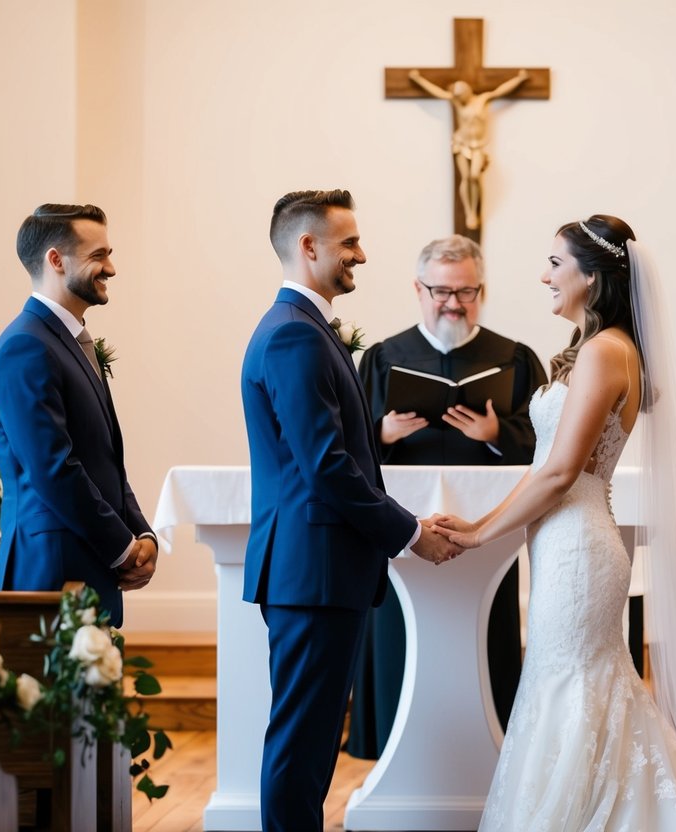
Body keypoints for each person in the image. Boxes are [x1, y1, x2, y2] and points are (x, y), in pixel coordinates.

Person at [435, 217, 676, 829]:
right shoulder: (602, 349)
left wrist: (481, 537)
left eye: (555, 264)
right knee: (575, 689)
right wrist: (478, 522)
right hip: (567, 544)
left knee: (572, 692)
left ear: (592, 277)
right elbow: (546, 466)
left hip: (578, 550)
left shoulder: (605, 352)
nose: (544, 275)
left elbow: (562, 472)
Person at [241, 189, 462, 832]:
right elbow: (327, 468)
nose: (361, 255)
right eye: (349, 243)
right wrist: (409, 533)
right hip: (313, 568)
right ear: (308, 246)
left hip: (318, 566)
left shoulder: (303, 329)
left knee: (309, 738)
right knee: (302, 738)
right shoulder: (293, 337)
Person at [348, 234, 547, 758]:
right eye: (440, 291)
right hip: (401, 528)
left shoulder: (515, 359)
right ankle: (394, 746)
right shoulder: (383, 357)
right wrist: (383, 433)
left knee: (487, 636)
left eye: (466, 291)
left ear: (482, 290)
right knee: (398, 636)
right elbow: (344, 451)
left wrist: (497, 434)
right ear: (418, 287)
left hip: (487, 529)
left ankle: (490, 742)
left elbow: (553, 450)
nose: (453, 303)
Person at [0, 203, 157, 629]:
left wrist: (142, 535)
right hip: (53, 570)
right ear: (56, 260)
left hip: (87, 559)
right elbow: (53, 468)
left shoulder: (70, 341)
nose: (111, 268)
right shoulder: (25, 346)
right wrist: (121, 547)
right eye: (98, 256)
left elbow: (104, 460)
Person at [408, 69, 529, 230]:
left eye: (460, 94)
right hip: (461, 143)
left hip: (478, 145)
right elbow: (438, 93)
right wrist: (418, 79)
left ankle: (474, 211)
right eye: (457, 95)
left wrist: (520, 79)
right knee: (466, 177)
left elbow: (500, 91)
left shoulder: (483, 99)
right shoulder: (457, 103)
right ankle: (470, 212)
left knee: (474, 176)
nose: (458, 98)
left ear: (467, 91)